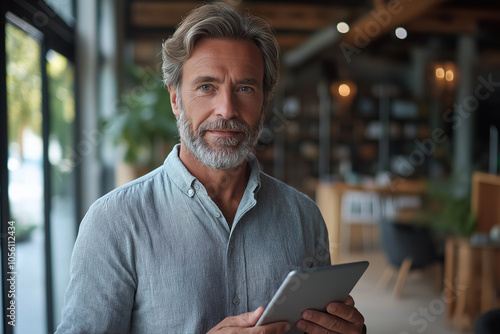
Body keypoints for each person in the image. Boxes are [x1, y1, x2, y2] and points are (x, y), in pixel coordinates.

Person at [56, 3, 366, 333]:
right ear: (175, 99)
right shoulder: (114, 222)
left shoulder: (304, 217)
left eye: (245, 87)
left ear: (264, 98)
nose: (227, 109)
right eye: (207, 87)